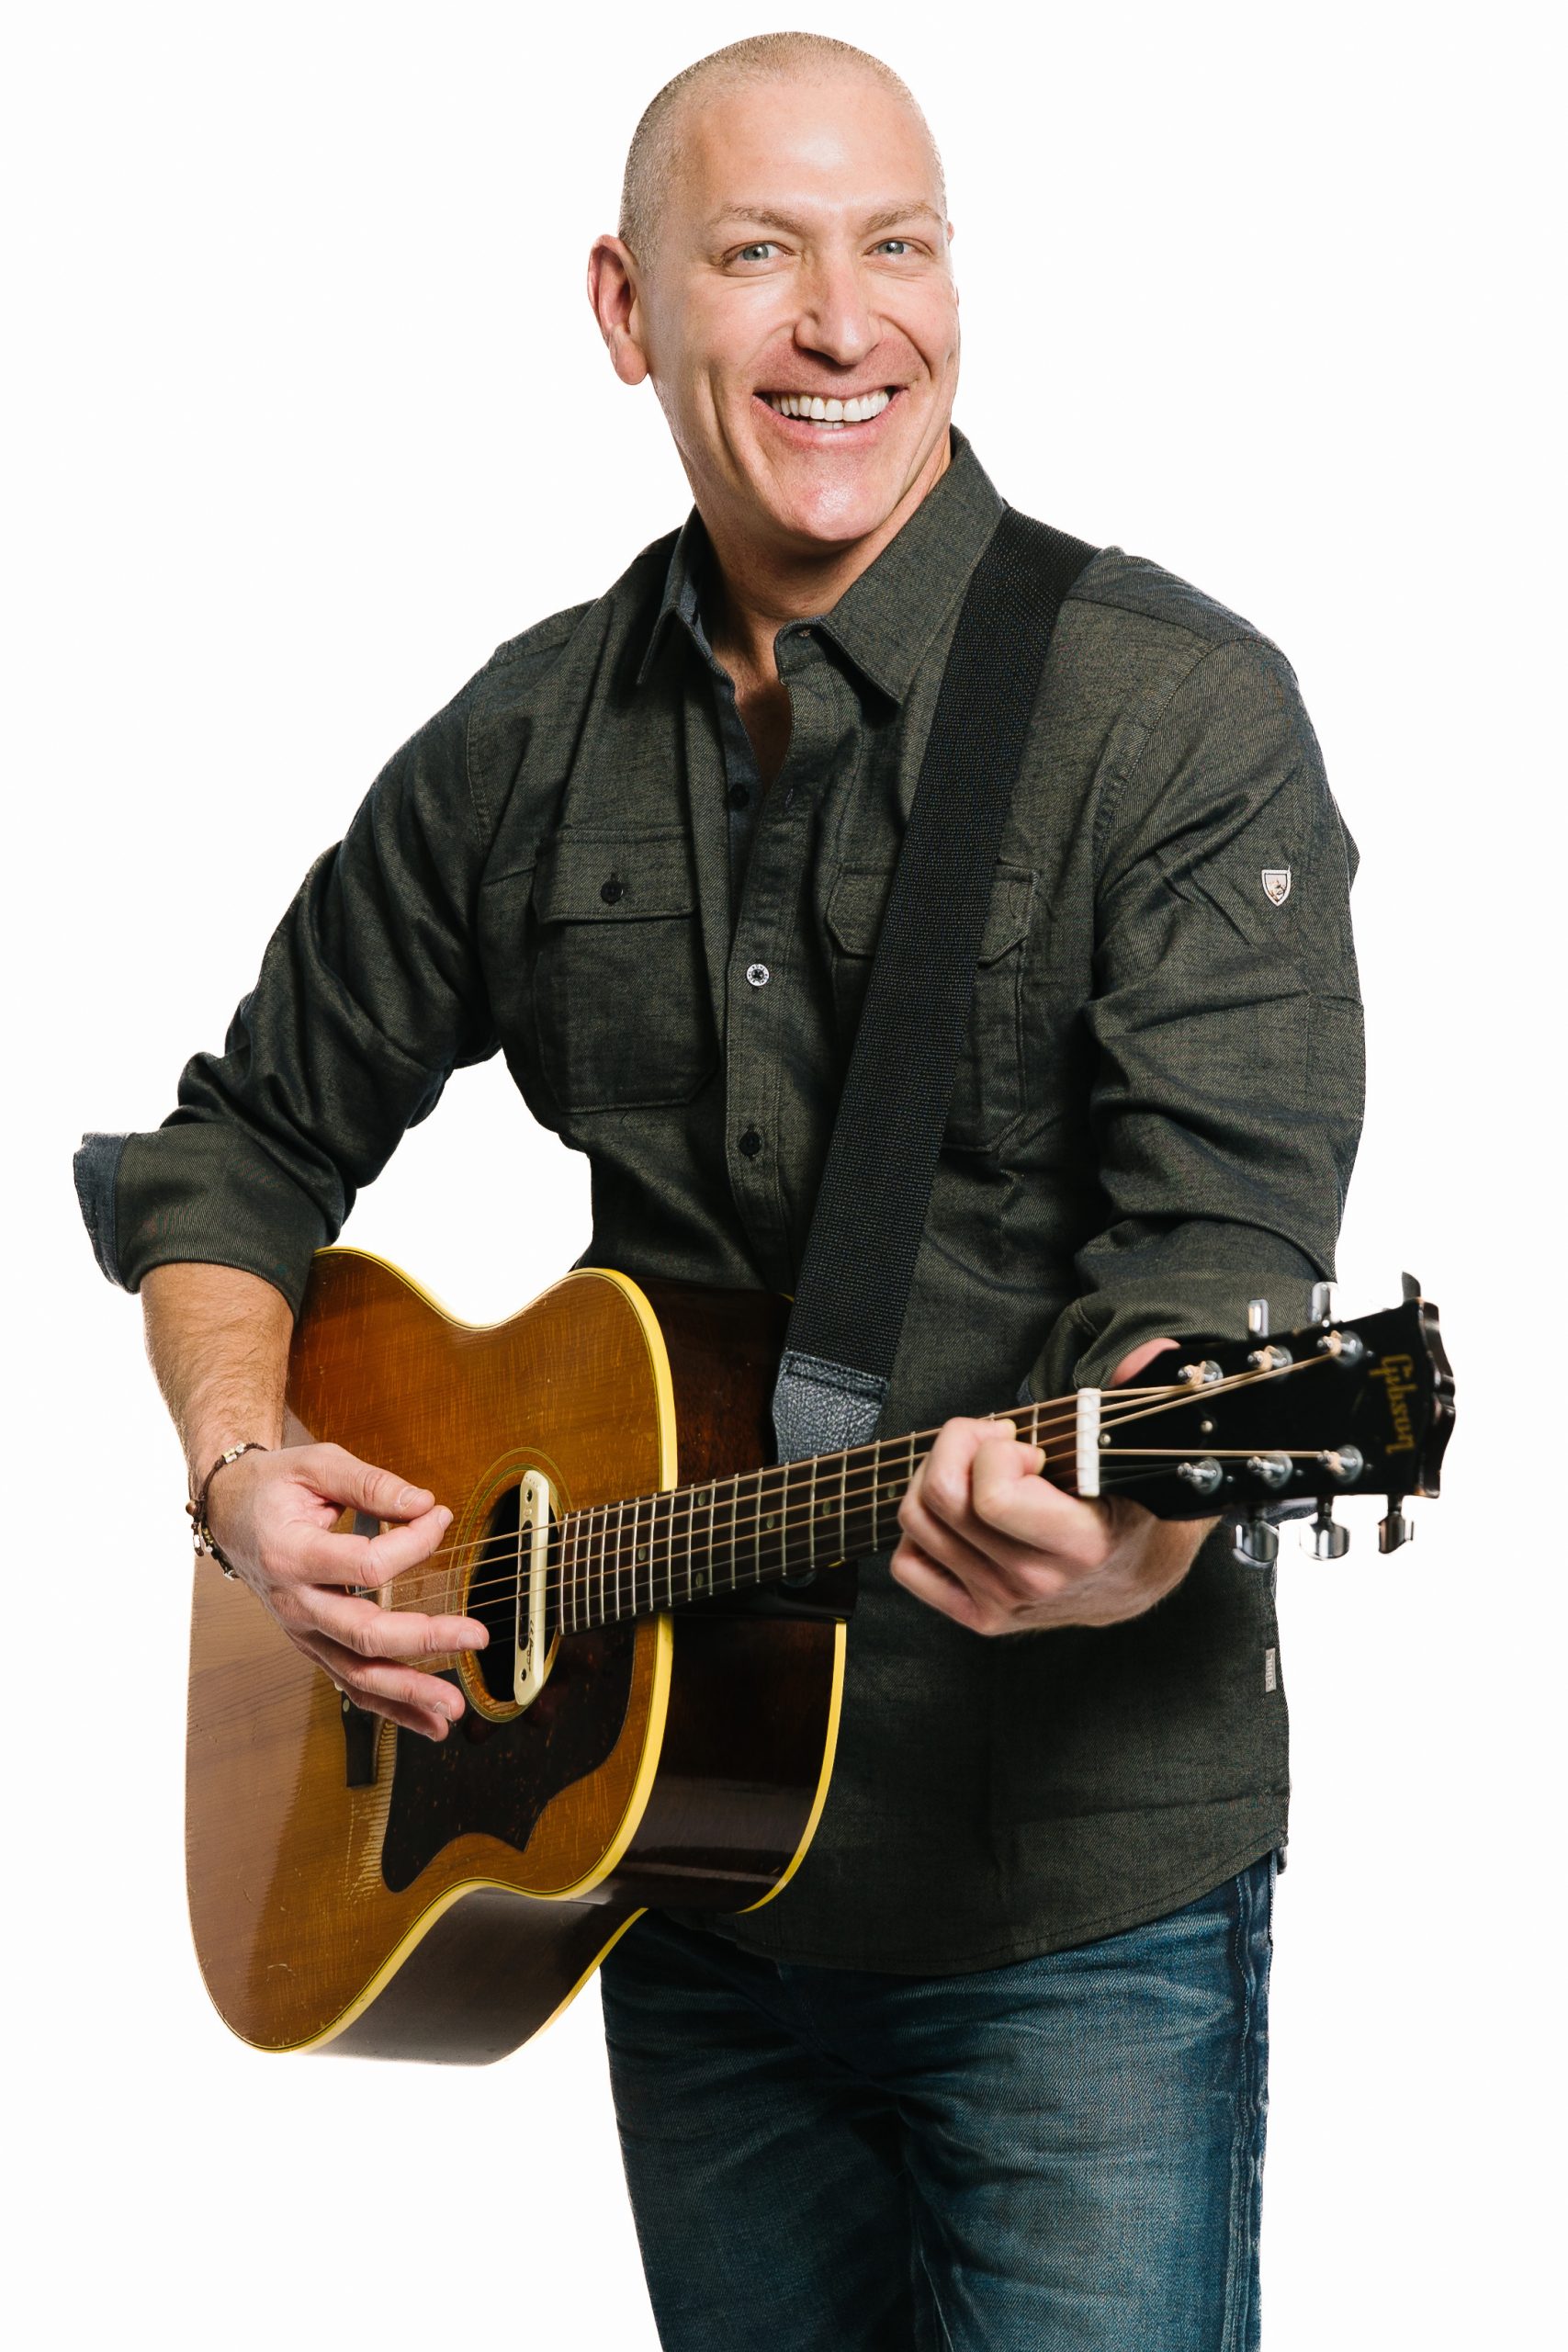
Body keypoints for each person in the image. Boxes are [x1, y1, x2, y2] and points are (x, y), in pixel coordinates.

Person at [74, 32, 1362, 2350]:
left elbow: (1218, 1259)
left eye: (896, 247)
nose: (841, 323)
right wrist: (243, 1469)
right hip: (676, 1869)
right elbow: (236, 1146)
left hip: (1068, 1906)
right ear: (624, 305)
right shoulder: (525, 741)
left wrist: (1142, 1519)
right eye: (758, 251)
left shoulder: (1164, 716)